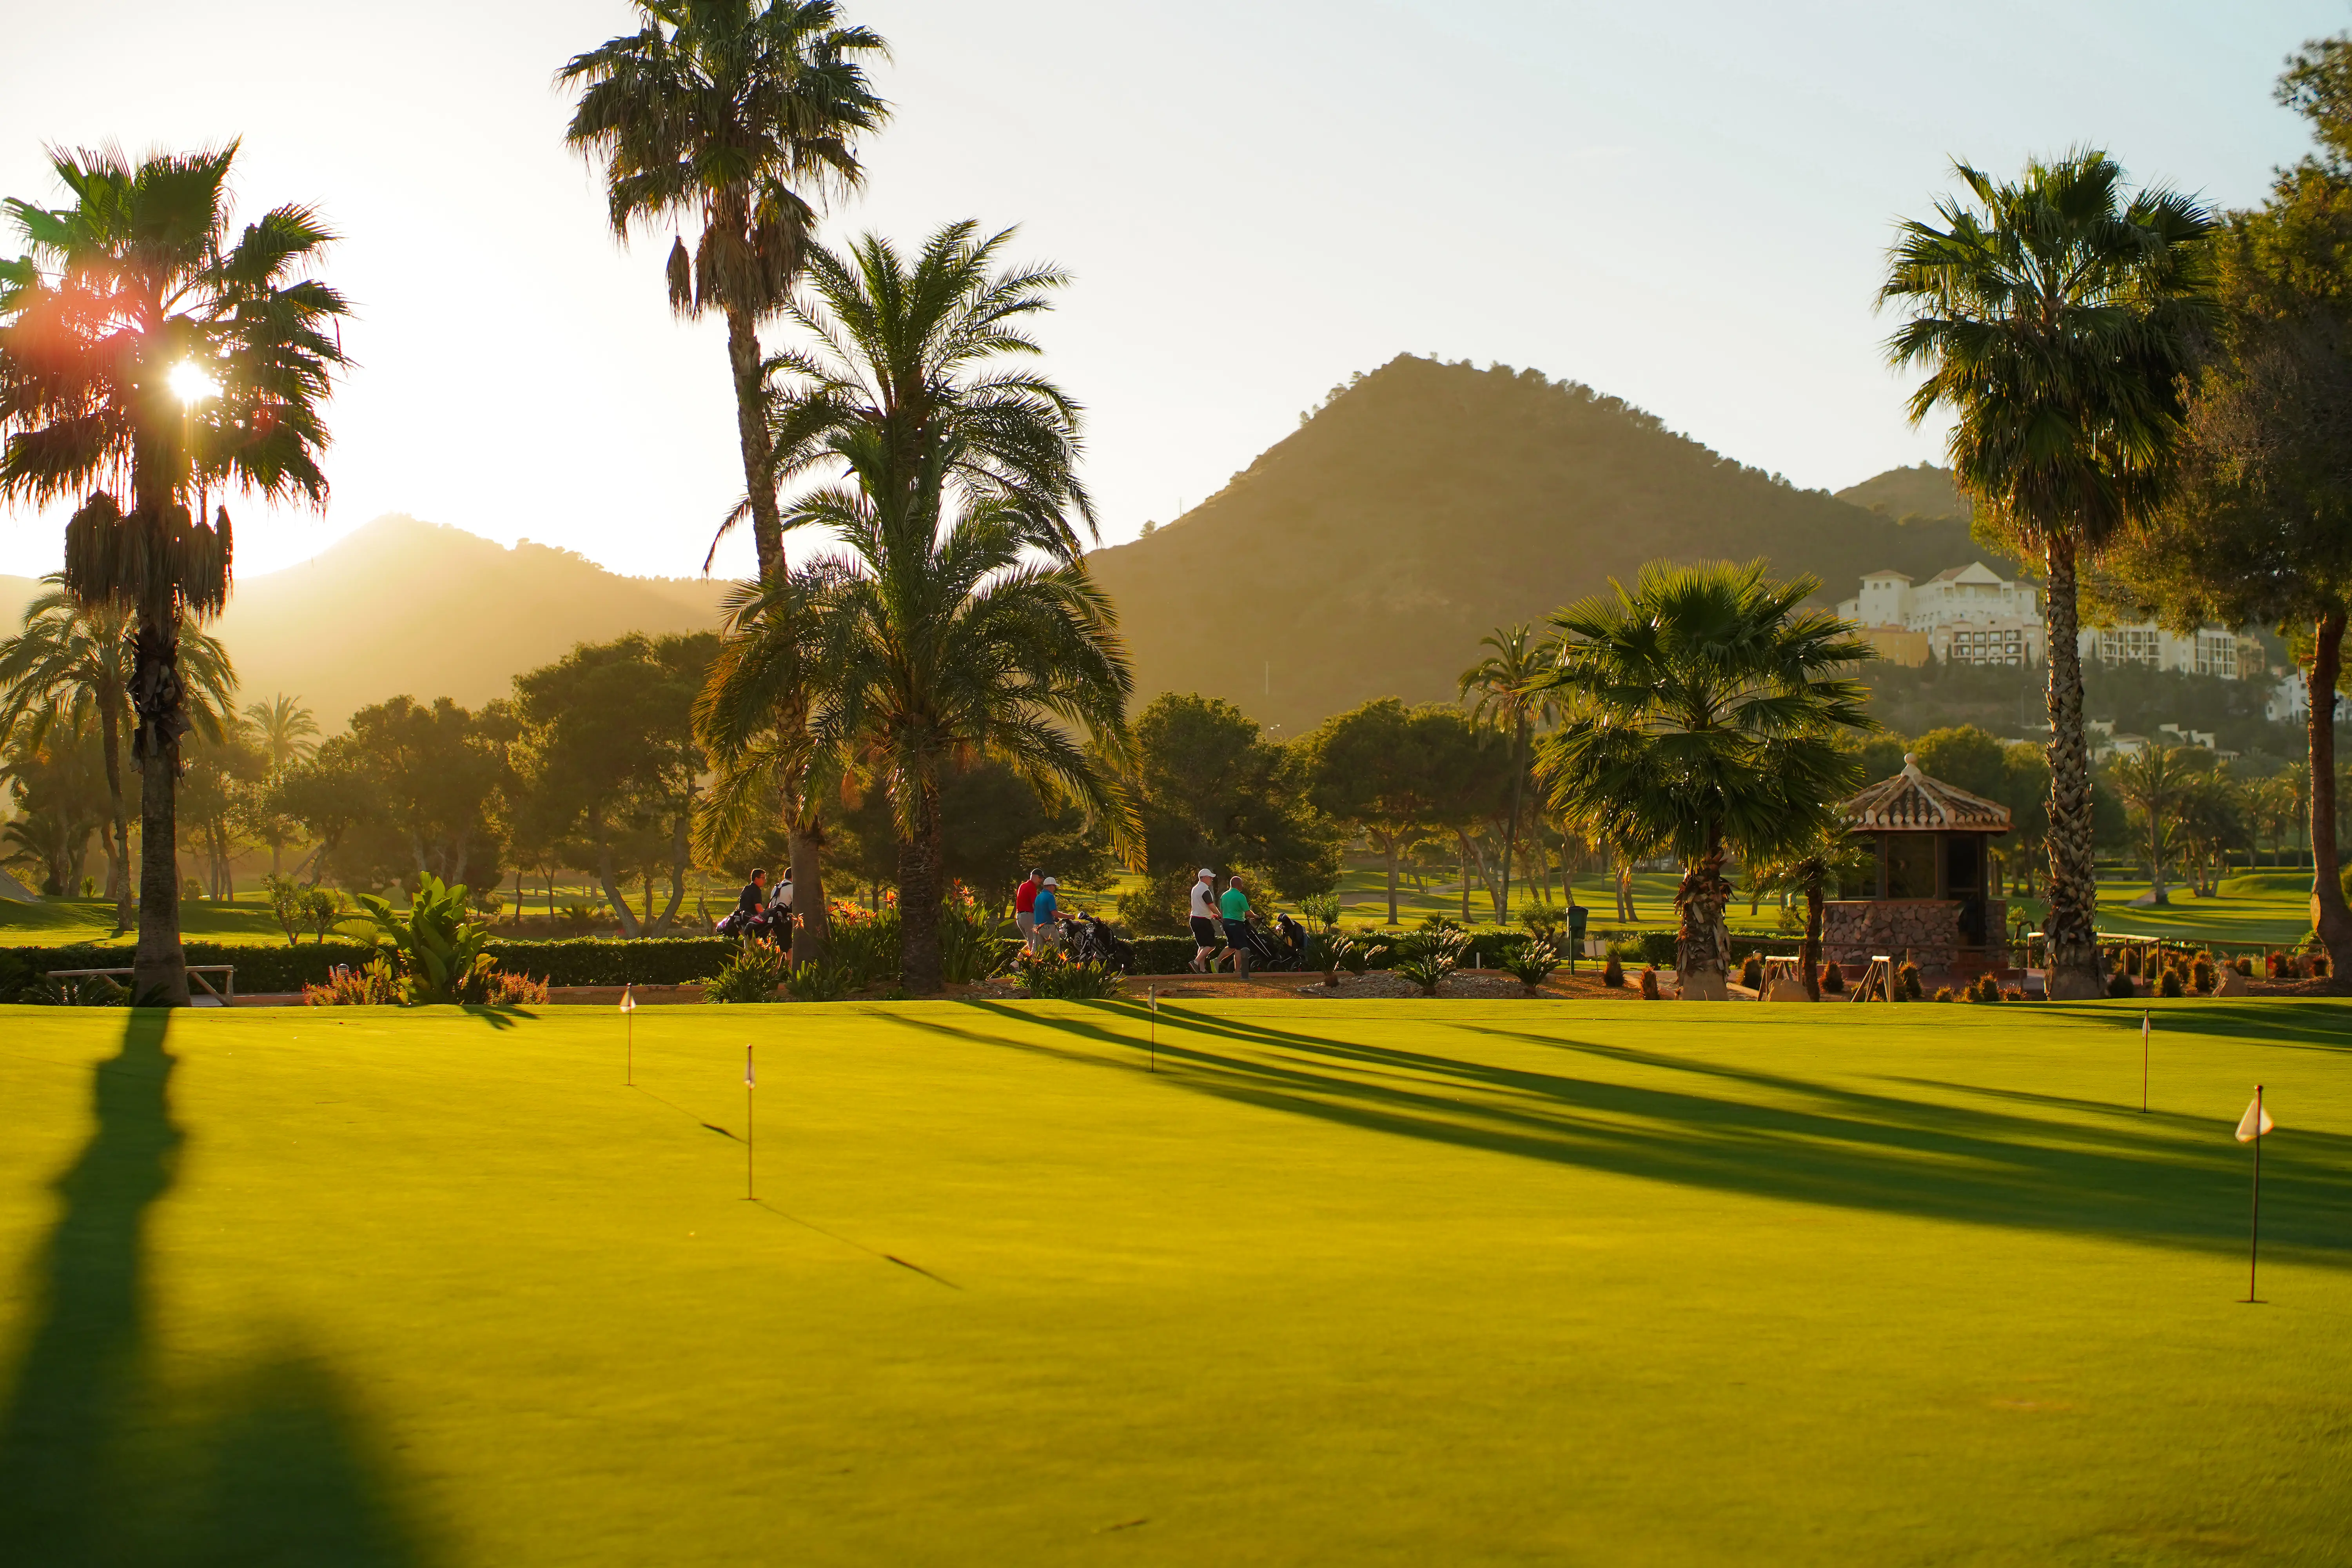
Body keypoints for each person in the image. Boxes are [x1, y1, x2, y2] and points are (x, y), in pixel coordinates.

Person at [1219, 873, 1254, 978]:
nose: (1243, 886)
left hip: (1226, 924)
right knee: (1241, 948)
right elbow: (1248, 913)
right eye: (1242, 884)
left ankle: (1217, 960)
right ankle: (1238, 971)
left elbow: (1222, 912)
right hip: (1237, 923)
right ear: (1238, 885)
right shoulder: (1240, 896)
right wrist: (1255, 916)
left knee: (1232, 946)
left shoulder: (1224, 896)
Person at [1187, 868, 1222, 973]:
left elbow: (1201, 906)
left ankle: (1202, 970)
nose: (1211, 880)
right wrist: (1219, 915)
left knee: (1202, 946)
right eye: (1210, 878)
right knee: (1211, 945)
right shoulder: (1205, 890)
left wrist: (1212, 915)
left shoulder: (1195, 888)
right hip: (1203, 921)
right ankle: (1196, 962)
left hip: (1194, 919)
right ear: (1205, 878)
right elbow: (1210, 905)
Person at [1014, 868, 1043, 950]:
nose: (1041, 880)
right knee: (1034, 944)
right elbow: (1035, 905)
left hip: (1019, 917)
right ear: (1034, 876)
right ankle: (1032, 962)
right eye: (1040, 878)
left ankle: (1016, 963)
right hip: (1028, 916)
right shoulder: (1031, 887)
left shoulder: (1022, 885)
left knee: (1030, 943)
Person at [1031, 876, 1060, 951]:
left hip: (1037, 926)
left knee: (1037, 951)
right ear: (1051, 886)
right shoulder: (1050, 896)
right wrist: (1069, 916)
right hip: (1048, 927)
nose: (1055, 888)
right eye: (1054, 886)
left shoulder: (1039, 897)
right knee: (1055, 951)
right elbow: (1055, 913)